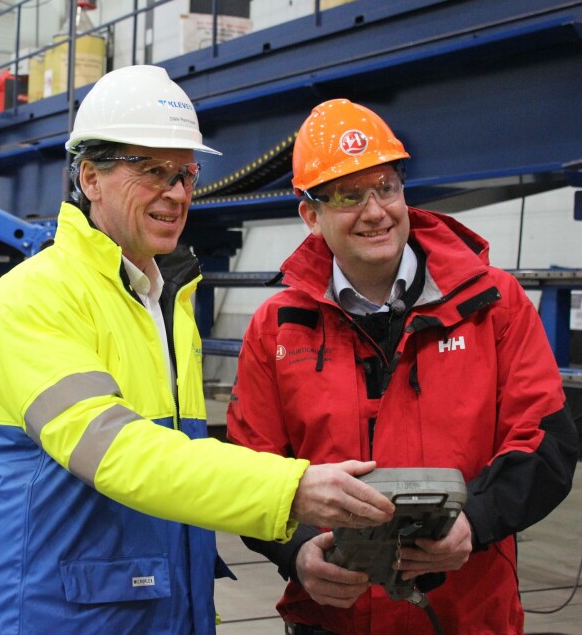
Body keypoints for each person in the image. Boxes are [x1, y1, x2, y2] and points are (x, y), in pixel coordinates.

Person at [0, 68, 396, 634]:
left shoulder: (167, 302)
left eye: (185, 174)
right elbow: (115, 453)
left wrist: (295, 547)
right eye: (152, 171)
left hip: (162, 611)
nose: (176, 192)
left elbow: (182, 471)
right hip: (56, 616)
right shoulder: (35, 296)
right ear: (90, 178)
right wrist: (289, 490)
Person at [227, 98, 580, 634]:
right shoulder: (278, 327)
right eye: (348, 195)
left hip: (466, 615)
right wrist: (297, 552)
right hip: (334, 618)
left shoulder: (492, 305)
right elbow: (249, 469)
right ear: (311, 216)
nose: (375, 212)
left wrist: (475, 521)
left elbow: (546, 441)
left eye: (386, 187)